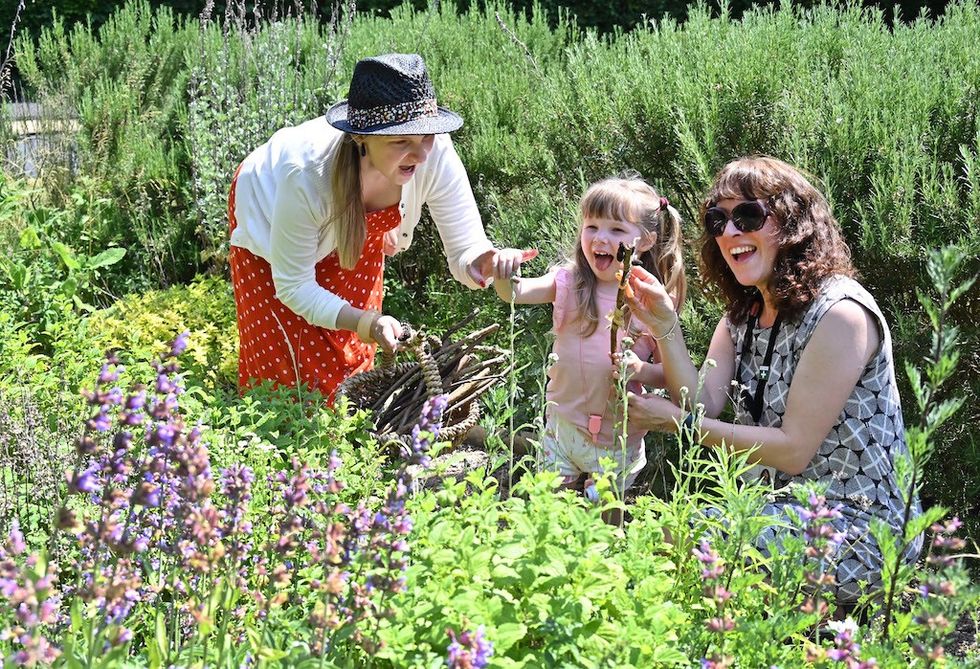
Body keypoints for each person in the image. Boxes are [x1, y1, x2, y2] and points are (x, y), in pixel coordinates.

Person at [624, 156, 920, 603]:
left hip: (860, 525)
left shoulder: (839, 314)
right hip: (777, 511)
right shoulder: (744, 313)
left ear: (793, 222)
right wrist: (665, 326)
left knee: (685, 546)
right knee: (669, 539)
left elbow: (794, 450)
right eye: (716, 220)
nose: (729, 232)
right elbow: (702, 400)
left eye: (748, 215)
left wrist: (676, 424)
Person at [227, 53, 536, 400]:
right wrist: (366, 322)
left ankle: (344, 439)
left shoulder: (434, 153)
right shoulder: (306, 174)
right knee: (284, 369)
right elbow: (294, 284)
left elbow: (466, 247)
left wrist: (484, 262)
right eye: (400, 141)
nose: (420, 156)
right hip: (269, 217)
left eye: (425, 138)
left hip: (346, 232)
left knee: (348, 365)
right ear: (361, 137)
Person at [494, 174, 686, 496]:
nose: (600, 237)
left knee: (604, 519)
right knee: (550, 509)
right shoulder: (570, 281)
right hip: (562, 428)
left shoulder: (649, 298)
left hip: (617, 439)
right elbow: (515, 293)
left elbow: (671, 375)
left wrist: (639, 370)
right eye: (592, 226)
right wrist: (506, 271)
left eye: (616, 229)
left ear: (646, 240)